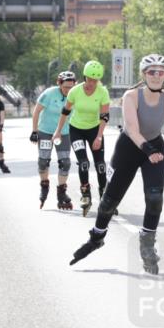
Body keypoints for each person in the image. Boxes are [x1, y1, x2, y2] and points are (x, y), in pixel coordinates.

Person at [70, 54, 164, 274]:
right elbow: (132, 129)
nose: (156, 75)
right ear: (144, 75)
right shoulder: (131, 96)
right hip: (129, 149)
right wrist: (147, 149)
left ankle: (147, 243)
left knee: (155, 198)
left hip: (154, 148)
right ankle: (97, 237)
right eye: (151, 71)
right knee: (109, 202)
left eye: (160, 72)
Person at [52, 60, 111, 216]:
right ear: (85, 77)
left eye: (96, 80)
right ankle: (85, 194)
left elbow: (104, 116)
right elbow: (65, 112)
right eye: (90, 79)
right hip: (76, 129)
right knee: (83, 163)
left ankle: (105, 198)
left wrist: (99, 137)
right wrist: (58, 131)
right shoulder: (75, 91)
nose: (92, 83)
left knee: (100, 165)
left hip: (94, 130)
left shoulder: (102, 92)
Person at [30, 71, 76, 209]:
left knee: (65, 162)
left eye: (71, 87)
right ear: (59, 84)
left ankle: (61, 192)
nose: (68, 90)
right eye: (66, 87)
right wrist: (34, 130)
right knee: (43, 161)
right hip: (45, 131)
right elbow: (37, 111)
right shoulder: (49, 93)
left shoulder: (76, 95)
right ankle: (44, 185)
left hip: (64, 133)